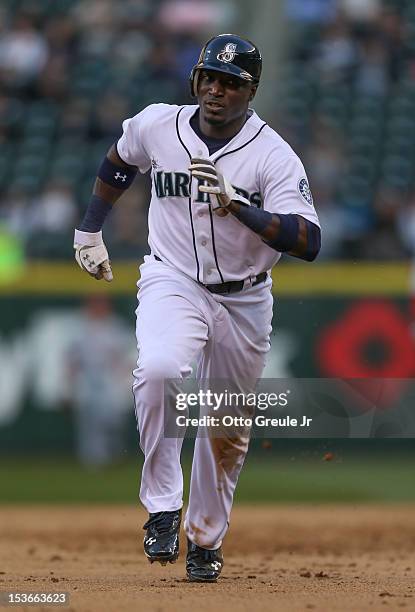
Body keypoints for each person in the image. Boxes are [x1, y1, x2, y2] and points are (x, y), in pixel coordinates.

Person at [73, 33, 321, 582]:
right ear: (195, 80)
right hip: (174, 278)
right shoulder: (158, 124)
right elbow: (119, 161)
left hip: (247, 296)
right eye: (208, 77)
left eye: (230, 83)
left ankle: (206, 540)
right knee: (159, 369)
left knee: (226, 429)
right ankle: (163, 506)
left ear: (250, 91)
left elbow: (309, 241)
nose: (215, 90)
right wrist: (89, 228)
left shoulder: (272, 154)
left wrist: (240, 208)